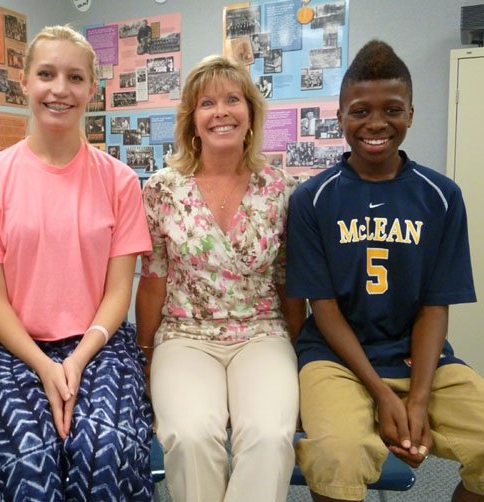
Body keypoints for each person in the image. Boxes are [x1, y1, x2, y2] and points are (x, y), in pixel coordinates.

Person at [0, 25, 153, 501]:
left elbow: (116, 294)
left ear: (91, 88)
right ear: (24, 82)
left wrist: (78, 359)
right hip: (12, 348)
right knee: (32, 454)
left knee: (103, 446)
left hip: (100, 344)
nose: (60, 89)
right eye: (46, 74)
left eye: (75, 77)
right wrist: (46, 367)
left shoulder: (121, 182)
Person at [287, 40, 484, 502]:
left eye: (392, 109)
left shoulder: (442, 196)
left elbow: (436, 306)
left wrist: (417, 399)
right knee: (339, 453)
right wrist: (382, 396)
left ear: (411, 114)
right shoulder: (312, 199)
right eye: (360, 111)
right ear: (339, 118)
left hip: (418, 357)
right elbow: (325, 308)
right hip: (336, 360)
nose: (376, 123)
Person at [136, 55, 305, 502]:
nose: (221, 111)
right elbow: (152, 281)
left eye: (233, 99)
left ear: (250, 112)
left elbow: (290, 282)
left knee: (269, 437)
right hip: (184, 336)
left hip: (262, 333)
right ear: (193, 119)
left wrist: (301, 352)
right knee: (191, 436)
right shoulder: (161, 190)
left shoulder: (281, 190)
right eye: (207, 103)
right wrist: (147, 355)